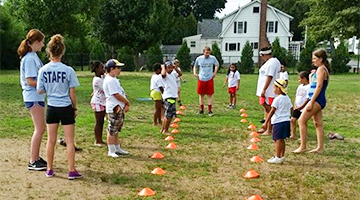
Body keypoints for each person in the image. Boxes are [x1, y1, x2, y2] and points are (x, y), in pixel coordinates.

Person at [37, 34, 82, 179]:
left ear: (49, 51)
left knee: (51, 140)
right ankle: (71, 170)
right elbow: (72, 91)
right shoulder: (68, 70)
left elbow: (40, 90)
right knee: (69, 141)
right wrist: (74, 107)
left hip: (51, 107)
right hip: (65, 107)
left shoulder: (43, 70)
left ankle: (49, 169)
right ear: (62, 52)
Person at [18, 29, 47, 171]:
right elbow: (30, 81)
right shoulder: (30, 58)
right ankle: (33, 160)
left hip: (37, 96)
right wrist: (46, 85)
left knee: (41, 128)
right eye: (41, 42)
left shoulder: (33, 56)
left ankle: (36, 157)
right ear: (35, 42)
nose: (42, 45)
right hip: (33, 96)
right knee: (40, 128)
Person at [293, 49, 330, 154]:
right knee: (317, 123)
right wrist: (311, 76)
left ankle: (303, 146)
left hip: (317, 99)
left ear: (321, 59)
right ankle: (320, 148)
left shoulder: (321, 69)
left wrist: (311, 101)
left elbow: (319, 86)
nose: (313, 61)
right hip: (318, 99)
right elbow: (313, 84)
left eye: (314, 58)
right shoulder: (321, 69)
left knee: (301, 120)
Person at [103, 59, 130, 158]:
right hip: (114, 108)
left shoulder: (114, 80)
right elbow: (116, 94)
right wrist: (126, 102)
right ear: (111, 69)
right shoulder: (110, 80)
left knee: (117, 129)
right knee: (112, 129)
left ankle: (117, 147)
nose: (120, 70)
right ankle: (111, 150)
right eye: (118, 68)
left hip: (118, 108)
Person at [262, 79, 292, 164]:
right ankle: (281, 156)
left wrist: (266, 122)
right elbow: (291, 109)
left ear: (279, 88)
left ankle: (278, 157)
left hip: (279, 122)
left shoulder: (277, 99)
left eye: (274, 87)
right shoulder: (287, 98)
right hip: (286, 121)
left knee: (277, 140)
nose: (273, 89)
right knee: (282, 140)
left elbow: (272, 111)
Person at [256, 46, 281, 135]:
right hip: (267, 91)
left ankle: (269, 129)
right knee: (266, 109)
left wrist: (264, 89)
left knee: (269, 110)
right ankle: (266, 126)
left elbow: (269, 76)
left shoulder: (272, 62)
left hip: (269, 91)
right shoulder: (272, 62)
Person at [193, 46, 219, 116]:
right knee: (201, 95)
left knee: (209, 95)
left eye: (208, 52)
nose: (207, 54)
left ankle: (210, 110)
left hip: (209, 78)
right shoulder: (199, 58)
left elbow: (217, 65)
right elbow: (195, 66)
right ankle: (201, 109)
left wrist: (215, 72)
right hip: (201, 78)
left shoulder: (213, 58)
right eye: (205, 52)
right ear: (203, 52)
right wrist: (195, 73)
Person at [160, 61, 182, 134]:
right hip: (168, 96)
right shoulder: (165, 75)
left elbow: (180, 74)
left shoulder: (173, 74)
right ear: (165, 69)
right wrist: (163, 67)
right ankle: (165, 130)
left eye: (171, 68)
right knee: (168, 115)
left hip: (173, 96)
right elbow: (163, 74)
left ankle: (163, 129)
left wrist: (176, 68)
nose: (170, 69)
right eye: (168, 68)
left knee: (169, 114)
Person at [90, 61, 107, 146]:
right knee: (99, 121)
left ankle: (100, 139)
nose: (103, 69)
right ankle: (98, 140)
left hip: (102, 102)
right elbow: (106, 88)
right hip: (98, 102)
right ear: (96, 69)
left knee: (101, 122)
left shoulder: (101, 78)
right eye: (101, 67)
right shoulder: (97, 80)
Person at [290, 71, 310, 139]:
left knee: (302, 121)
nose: (299, 81)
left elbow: (307, 98)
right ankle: (293, 134)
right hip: (297, 107)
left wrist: (302, 106)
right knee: (292, 120)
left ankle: (304, 135)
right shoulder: (300, 86)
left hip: (303, 108)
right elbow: (297, 96)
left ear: (304, 78)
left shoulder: (308, 87)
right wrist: (295, 104)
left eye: (299, 79)